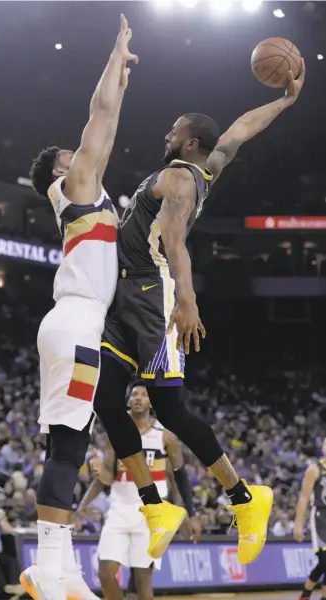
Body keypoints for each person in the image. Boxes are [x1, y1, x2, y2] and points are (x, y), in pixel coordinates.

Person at [92, 61, 306, 565]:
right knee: (105, 397)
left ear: (188, 143)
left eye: (176, 129)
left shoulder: (177, 179)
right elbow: (239, 131)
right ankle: (155, 507)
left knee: (170, 410)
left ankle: (245, 499)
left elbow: (174, 242)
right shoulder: (207, 163)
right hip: (125, 297)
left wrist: (186, 300)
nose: (167, 132)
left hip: (152, 293)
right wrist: (285, 101)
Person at [19, 15, 139, 600]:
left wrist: (120, 78)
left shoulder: (86, 191)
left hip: (73, 321)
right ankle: (47, 566)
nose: (84, 149)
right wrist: (114, 57)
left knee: (68, 444)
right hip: (76, 321)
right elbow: (101, 116)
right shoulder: (77, 187)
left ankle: (61, 570)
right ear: (62, 172)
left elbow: (107, 123)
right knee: (67, 445)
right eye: (76, 152)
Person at [79, 381, 201, 600]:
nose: (137, 398)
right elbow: (108, 478)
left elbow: (178, 477)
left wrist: (188, 514)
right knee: (106, 573)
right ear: (127, 400)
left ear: (151, 402)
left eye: (143, 395)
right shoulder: (115, 433)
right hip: (119, 509)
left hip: (151, 512)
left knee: (143, 576)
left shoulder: (165, 435)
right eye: (134, 394)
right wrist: (84, 501)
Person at [294, 437, 326, 600]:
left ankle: (312, 595)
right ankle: (306, 594)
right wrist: (299, 524)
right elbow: (304, 498)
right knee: (325, 559)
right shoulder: (315, 469)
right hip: (320, 517)